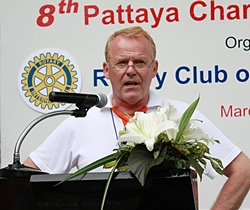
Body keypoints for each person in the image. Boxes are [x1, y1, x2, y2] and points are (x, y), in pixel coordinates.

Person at [24, 26, 250, 209]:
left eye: (140, 62)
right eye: (122, 63)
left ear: (154, 69)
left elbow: (243, 169)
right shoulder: (81, 121)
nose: (130, 70)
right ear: (106, 70)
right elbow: (24, 182)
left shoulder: (180, 117)